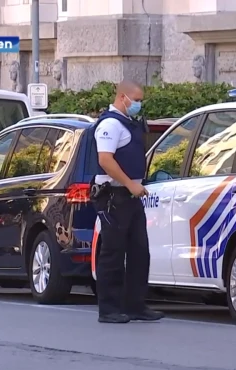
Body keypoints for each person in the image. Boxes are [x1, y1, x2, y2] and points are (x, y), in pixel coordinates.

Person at [93, 80, 164, 324]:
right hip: (115, 195)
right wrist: (130, 183)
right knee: (112, 253)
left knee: (139, 252)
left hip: (131, 196)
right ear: (123, 97)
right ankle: (109, 309)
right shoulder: (111, 124)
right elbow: (105, 160)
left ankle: (135, 305)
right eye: (136, 100)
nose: (139, 105)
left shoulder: (128, 124)